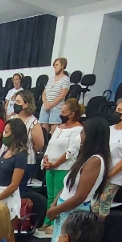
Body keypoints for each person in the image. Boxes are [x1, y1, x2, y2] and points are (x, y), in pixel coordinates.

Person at [46, 117, 111, 242]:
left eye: (83, 134)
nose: (80, 137)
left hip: (74, 213)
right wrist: (54, 204)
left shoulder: (95, 161)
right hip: (63, 210)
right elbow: (67, 186)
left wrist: (56, 209)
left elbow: (80, 196)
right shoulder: (84, 158)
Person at [40, 98, 84, 233]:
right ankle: (47, 220)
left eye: (63, 112)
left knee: (58, 197)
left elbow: (71, 151)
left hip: (63, 168)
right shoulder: (59, 127)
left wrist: (56, 164)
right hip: (50, 166)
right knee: (50, 196)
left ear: (72, 114)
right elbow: (50, 145)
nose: (61, 114)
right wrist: (46, 159)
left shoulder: (78, 129)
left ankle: (55, 223)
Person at [93, 97, 122, 219]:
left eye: (120, 110)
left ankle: (101, 229)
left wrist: (109, 174)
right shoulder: (109, 129)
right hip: (99, 172)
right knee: (93, 206)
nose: (116, 113)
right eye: (116, 109)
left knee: (103, 206)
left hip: (113, 176)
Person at [0, 117, 28, 242]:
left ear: (15, 135)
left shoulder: (21, 156)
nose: (3, 135)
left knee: (8, 234)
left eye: (6, 132)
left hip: (8, 197)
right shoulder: (5, 152)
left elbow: (14, 185)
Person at [13, 90, 45, 194]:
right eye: (15, 101)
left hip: (25, 161)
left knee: (18, 191)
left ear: (26, 104)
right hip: (10, 158)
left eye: (18, 102)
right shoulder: (13, 118)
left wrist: (28, 150)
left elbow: (39, 144)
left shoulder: (34, 122)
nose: (15, 104)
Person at [40, 58, 71, 133]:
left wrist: (50, 105)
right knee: (43, 128)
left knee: (54, 129)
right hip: (45, 106)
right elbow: (44, 93)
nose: (54, 67)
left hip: (56, 107)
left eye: (57, 65)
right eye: (54, 65)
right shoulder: (51, 79)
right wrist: (45, 103)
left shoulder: (66, 79)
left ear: (62, 66)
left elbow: (62, 95)